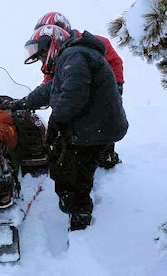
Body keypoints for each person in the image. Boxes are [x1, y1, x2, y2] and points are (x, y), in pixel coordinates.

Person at [13, 25, 128, 231]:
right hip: (94, 124)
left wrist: (57, 121)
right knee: (64, 163)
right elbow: (51, 88)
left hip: (94, 129)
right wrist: (23, 103)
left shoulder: (74, 55)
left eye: (41, 55)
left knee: (75, 172)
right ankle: (72, 200)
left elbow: (73, 96)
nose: (42, 60)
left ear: (52, 43)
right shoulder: (72, 56)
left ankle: (80, 219)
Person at [34, 11, 124, 169]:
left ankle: (105, 156)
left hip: (97, 93)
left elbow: (115, 62)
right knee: (69, 124)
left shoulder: (90, 43)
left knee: (100, 123)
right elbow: (51, 79)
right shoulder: (58, 53)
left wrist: (116, 85)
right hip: (74, 94)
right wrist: (38, 94)